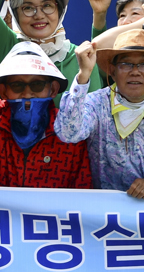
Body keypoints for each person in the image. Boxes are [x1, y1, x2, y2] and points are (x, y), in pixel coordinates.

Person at [56, 24, 144, 196]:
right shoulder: (95, 104)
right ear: (112, 71)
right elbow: (68, 134)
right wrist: (83, 75)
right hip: (106, 217)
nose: (135, 72)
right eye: (125, 64)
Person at [0, 41, 91, 189]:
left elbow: (83, 193)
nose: (27, 94)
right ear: (3, 91)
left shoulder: (69, 133)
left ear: (53, 89)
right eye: (17, 85)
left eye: (37, 85)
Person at [2, 0, 80, 82]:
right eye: (28, 8)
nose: (39, 15)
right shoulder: (7, 45)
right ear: (15, 14)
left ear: (60, 11)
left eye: (47, 5)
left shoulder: (80, 58)